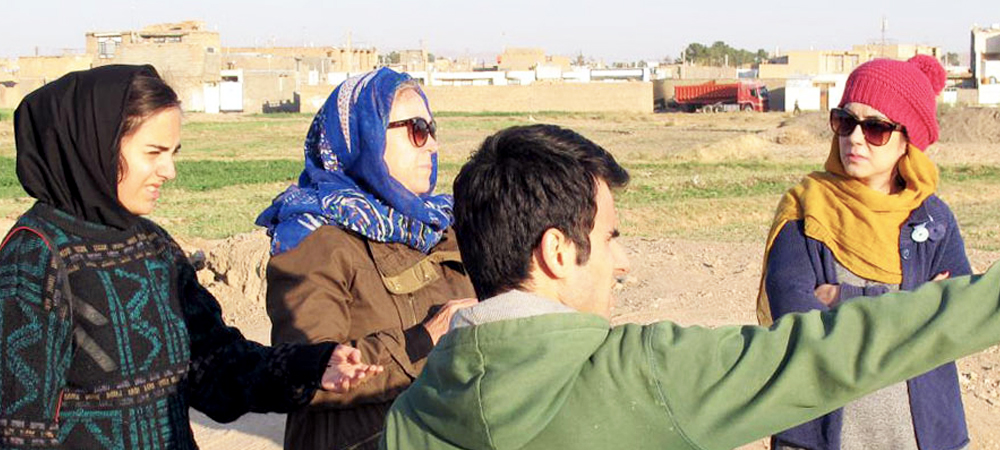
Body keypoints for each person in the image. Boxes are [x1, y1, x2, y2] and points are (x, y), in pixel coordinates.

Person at [381, 123, 1000, 450]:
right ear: (558, 252)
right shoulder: (638, 376)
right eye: (613, 235)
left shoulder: (416, 411)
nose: (622, 262)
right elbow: (828, 350)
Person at [0, 65, 382, 450]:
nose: (169, 170)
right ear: (94, 144)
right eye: (154, 153)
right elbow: (18, 429)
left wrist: (313, 366)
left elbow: (216, 369)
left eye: (173, 153)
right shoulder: (36, 257)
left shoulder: (155, 248)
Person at [757, 55, 970, 450]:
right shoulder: (805, 214)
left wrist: (843, 297)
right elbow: (800, 322)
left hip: (923, 437)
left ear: (908, 140)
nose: (855, 137)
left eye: (875, 128)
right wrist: (917, 306)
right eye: (845, 121)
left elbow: (959, 320)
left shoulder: (934, 221)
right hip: (819, 436)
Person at [256, 67, 476, 450]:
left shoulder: (441, 224)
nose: (432, 146)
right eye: (416, 130)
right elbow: (307, 375)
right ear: (364, 136)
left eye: (432, 130)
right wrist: (425, 339)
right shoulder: (314, 242)